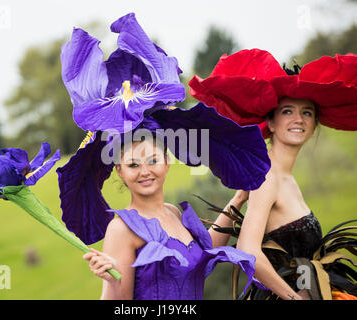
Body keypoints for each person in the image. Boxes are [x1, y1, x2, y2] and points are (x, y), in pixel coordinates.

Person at [56, 14, 271, 300]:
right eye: (133, 164)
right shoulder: (121, 229)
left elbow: (202, 258)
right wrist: (110, 281)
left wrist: (238, 199)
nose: (145, 170)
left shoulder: (172, 213)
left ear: (167, 162)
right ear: (118, 170)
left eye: (152, 160)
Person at [189, 49, 357, 300]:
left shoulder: (284, 178)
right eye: (288, 111)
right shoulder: (267, 177)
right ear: (270, 122)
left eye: (307, 112)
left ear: (314, 125)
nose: (298, 119)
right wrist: (293, 298)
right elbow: (248, 250)